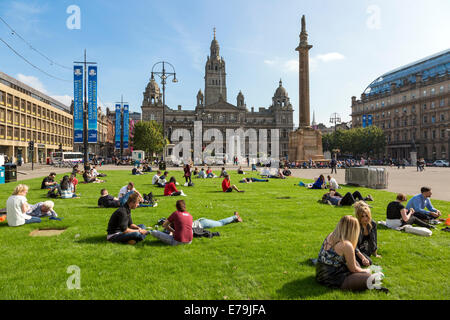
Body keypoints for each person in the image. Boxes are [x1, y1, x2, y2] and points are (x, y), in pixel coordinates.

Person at [315, 216, 381, 291]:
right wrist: (366, 270)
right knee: (370, 278)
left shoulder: (331, 235)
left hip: (320, 273)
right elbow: (353, 269)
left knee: (355, 262)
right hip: (333, 278)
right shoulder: (346, 245)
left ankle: (360, 276)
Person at [354, 201, 380, 267]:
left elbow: (374, 239)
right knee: (369, 262)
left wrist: (375, 253)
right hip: (356, 250)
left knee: (368, 258)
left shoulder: (372, 224)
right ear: (359, 216)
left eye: (367, 216)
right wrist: (362, 258)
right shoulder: (355, 225)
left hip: (365, 248)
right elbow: (354, 245)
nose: (365, 218)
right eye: (362, 216)